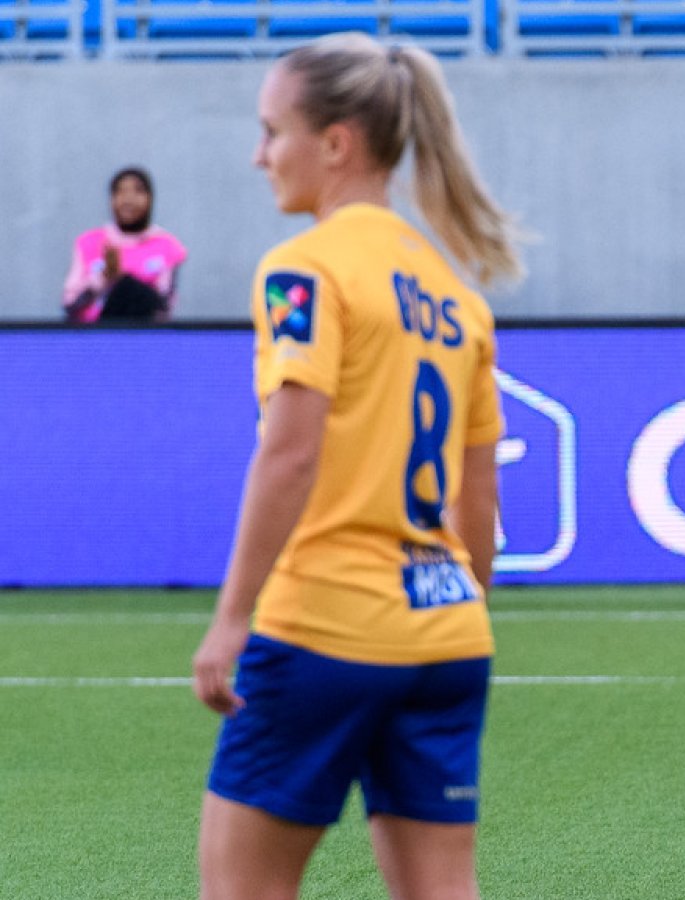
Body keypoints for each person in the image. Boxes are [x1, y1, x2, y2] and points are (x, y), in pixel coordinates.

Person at [190, 33, 521, 900]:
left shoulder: (303, 269)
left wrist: (231, 619)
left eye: (271, 131)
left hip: (325, 630)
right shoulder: (456, 294)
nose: (257, 154)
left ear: (335, 142)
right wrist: (454, 614)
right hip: (447, 636)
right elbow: (477, 494)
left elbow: (291, 450)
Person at [62, 166, 188, 323]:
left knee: (128, 289)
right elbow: (69, 305)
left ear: (150, 198)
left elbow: (164, 306)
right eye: (120, 191)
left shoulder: (167, 246)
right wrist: (103, 279)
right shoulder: (90, 242)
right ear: (111, 199)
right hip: (93, 338)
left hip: (144, 336)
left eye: (138, 191)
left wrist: (124, 281)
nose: (128, 199)